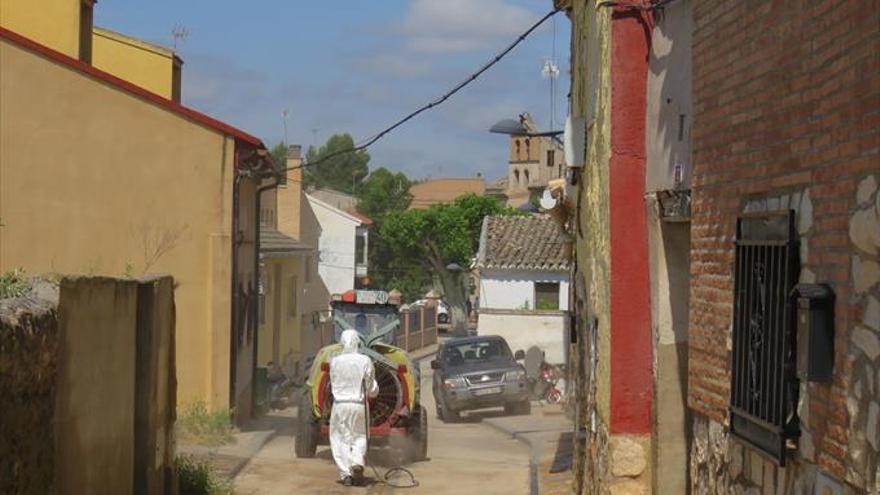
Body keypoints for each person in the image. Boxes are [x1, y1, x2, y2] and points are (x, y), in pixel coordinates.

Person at [329, 329, 379, 486]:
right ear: (358, 342)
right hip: (359, 405)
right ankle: (357, 462)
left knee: (340, 438)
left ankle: (346, 474)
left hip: (340, 406)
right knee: (360, 435)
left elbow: (333, 382)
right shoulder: (365, 360)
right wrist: (374, 391)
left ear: (342, 343)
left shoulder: (334, 361)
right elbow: (371, 388)